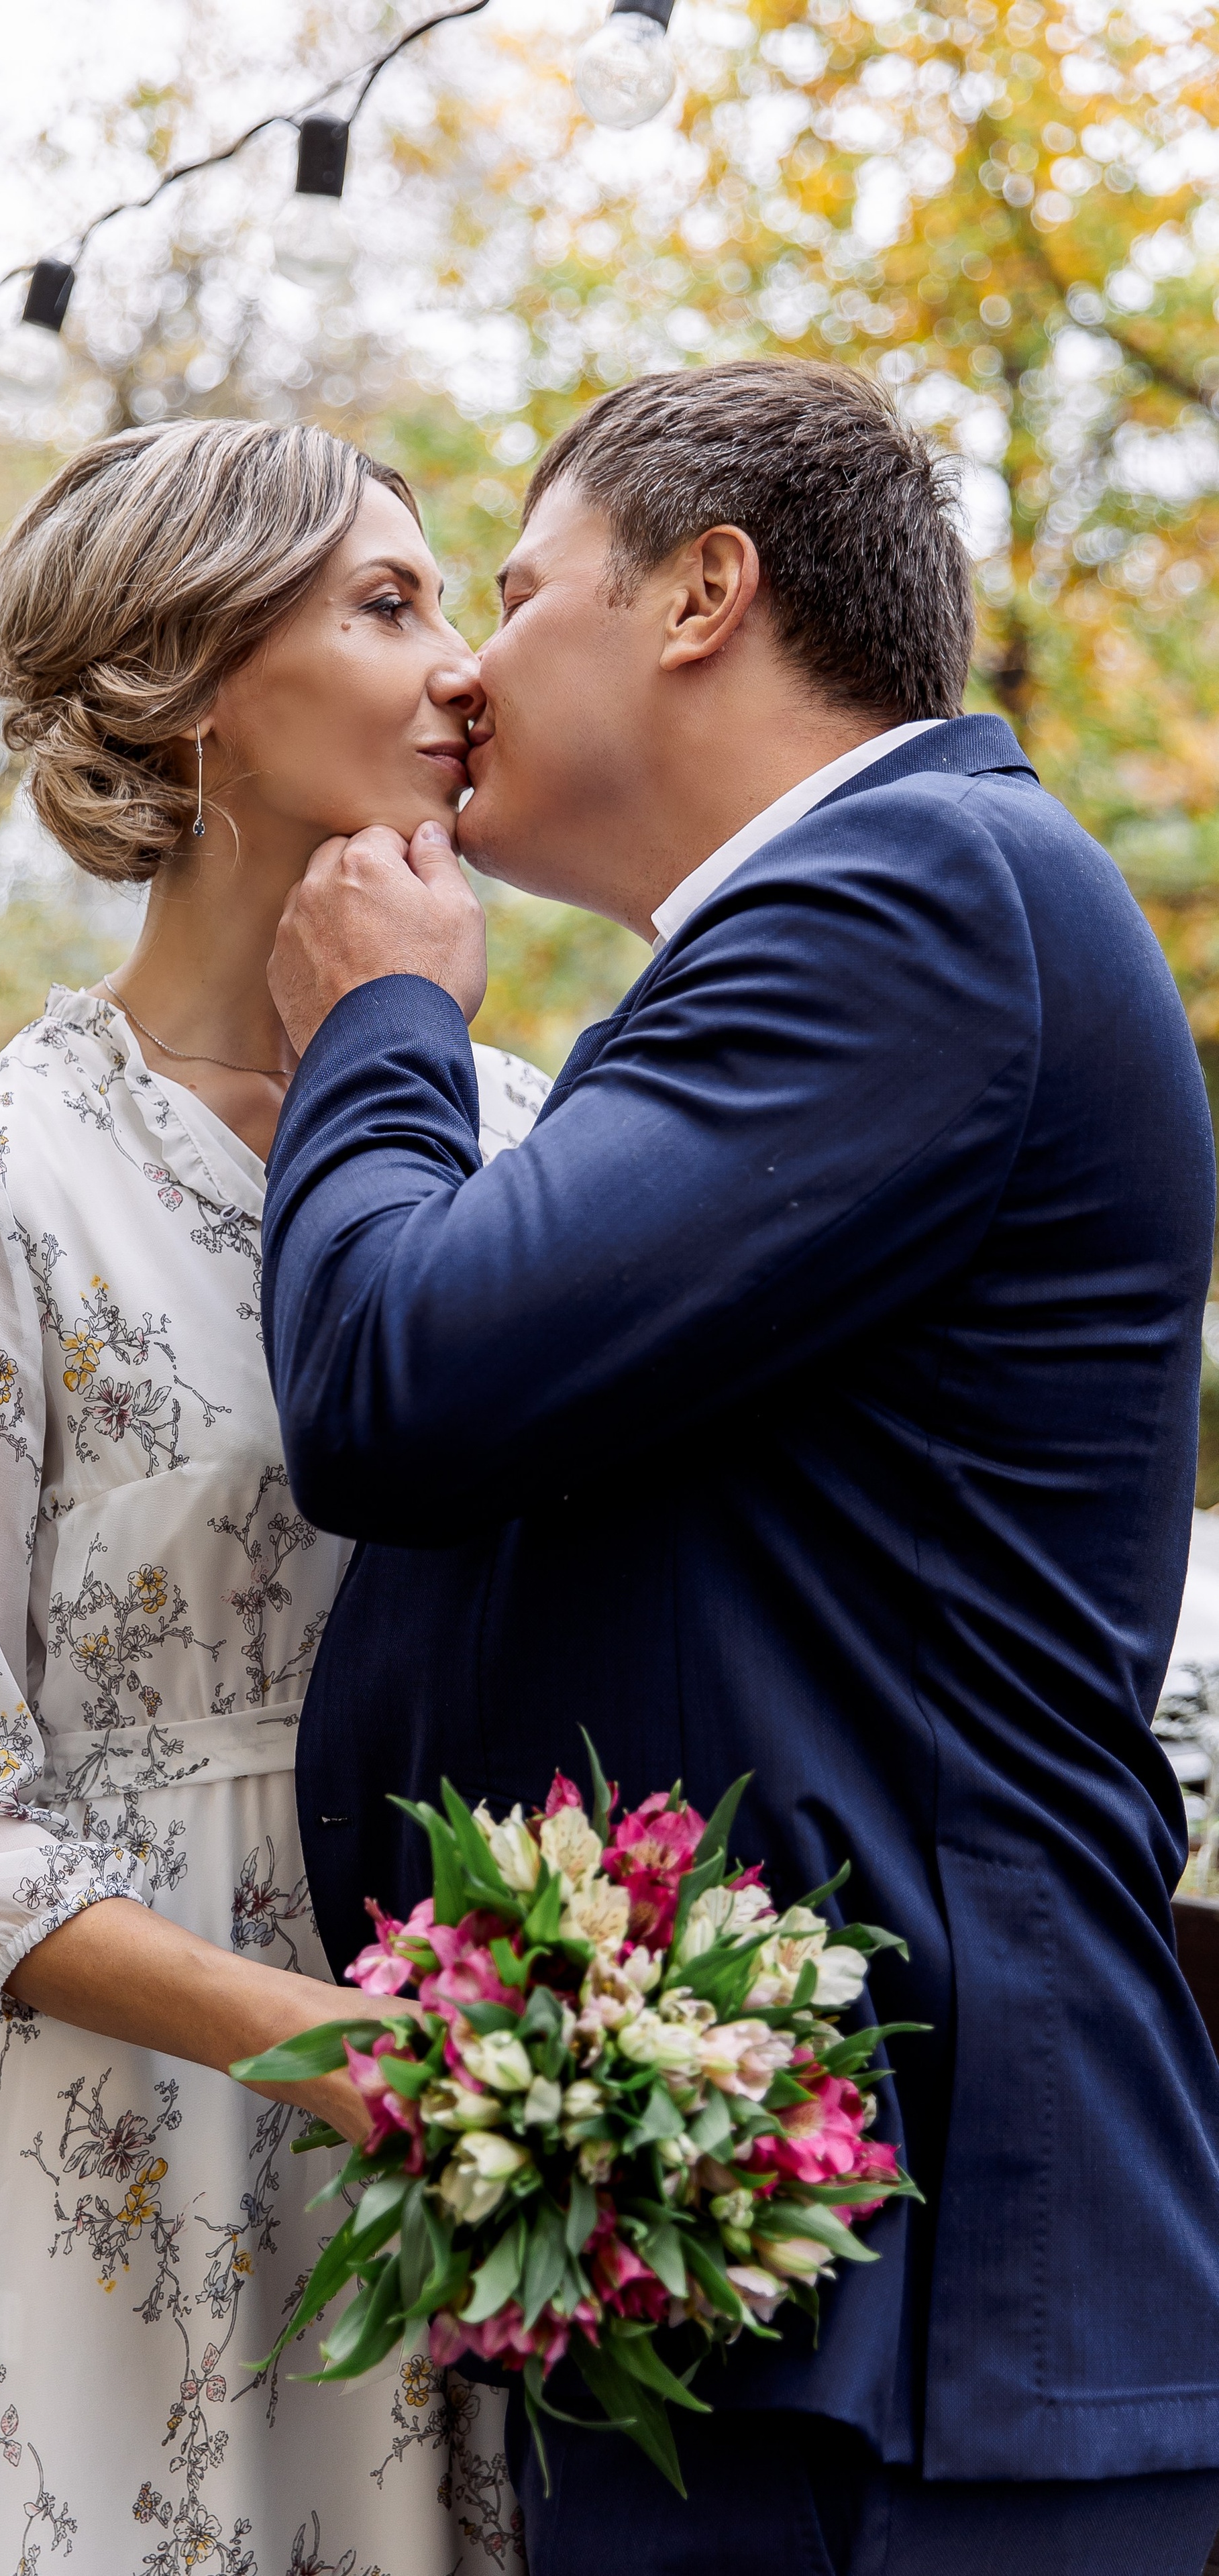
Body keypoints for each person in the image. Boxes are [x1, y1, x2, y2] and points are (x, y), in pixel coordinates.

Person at [258, 359, 1219, 2575]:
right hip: (775, 2268)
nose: (467, 672)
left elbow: (399, 1386)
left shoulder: (916, 896)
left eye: (514, 593)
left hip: (927, 2301)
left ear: (704, 593)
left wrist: (382, 1028)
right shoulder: (847, 931)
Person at [0, 417, 544, 2575]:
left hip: (492, 2116)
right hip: (148, 2141)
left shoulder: (523, 1135)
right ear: (203, 676)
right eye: (390, 604)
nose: (465, 667)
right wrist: (301, 2038)